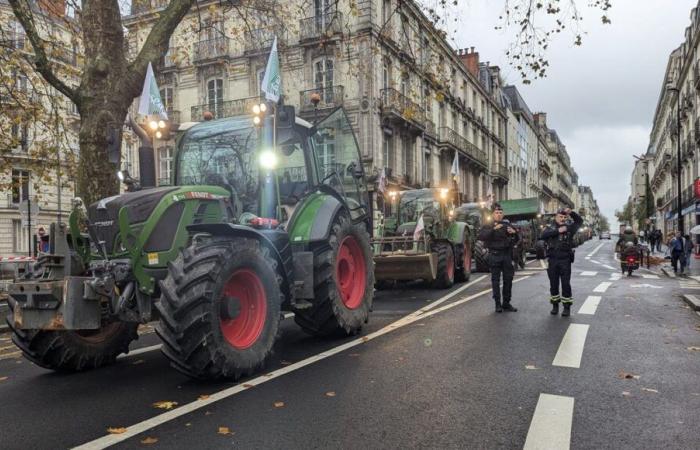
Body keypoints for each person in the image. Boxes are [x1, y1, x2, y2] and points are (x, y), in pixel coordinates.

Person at [540, 207, 583, 317]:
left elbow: (579, 221)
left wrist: (572, 213)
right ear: (556, 217)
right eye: (560, 216)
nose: (562, 219)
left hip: (565, 259)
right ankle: (555, 306)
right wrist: (557, 231)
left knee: (565, 284)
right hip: (553, 259)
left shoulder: (569, 228)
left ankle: (566, 307)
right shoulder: (550, 227)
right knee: (553, 284)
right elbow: (543, 236)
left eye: (564, 217)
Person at [478, 203, 520, 313]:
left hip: (506, 255)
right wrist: (494, 229)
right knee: (495, 281)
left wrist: (514, 233)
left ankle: (506, 302)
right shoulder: (488, 225)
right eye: (496, 213)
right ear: (493, 214)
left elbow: (516, 239)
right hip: (495, 255)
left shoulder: (507, 224)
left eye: (500, 213)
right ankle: (497, 304)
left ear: (503, 214)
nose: (499, 215)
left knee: (508, 279)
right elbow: (482, 236)